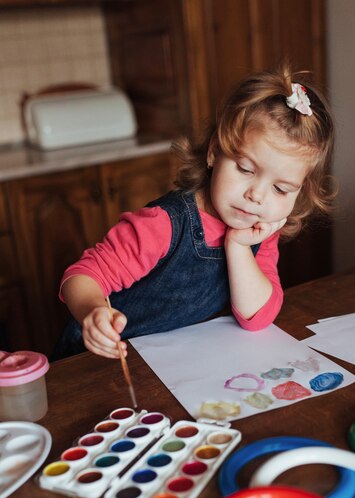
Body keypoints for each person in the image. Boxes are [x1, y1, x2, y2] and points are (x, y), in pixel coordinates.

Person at [52, 62, 335, 361]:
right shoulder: (164, 225)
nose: (257, 196)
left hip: (164, 363)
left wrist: (238, 246)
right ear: (214, 152)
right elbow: (81, 276)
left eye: (281, 189)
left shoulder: (258, 233)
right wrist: (93, 312)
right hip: (94, 360)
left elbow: (258, 317)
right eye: (244, 168)